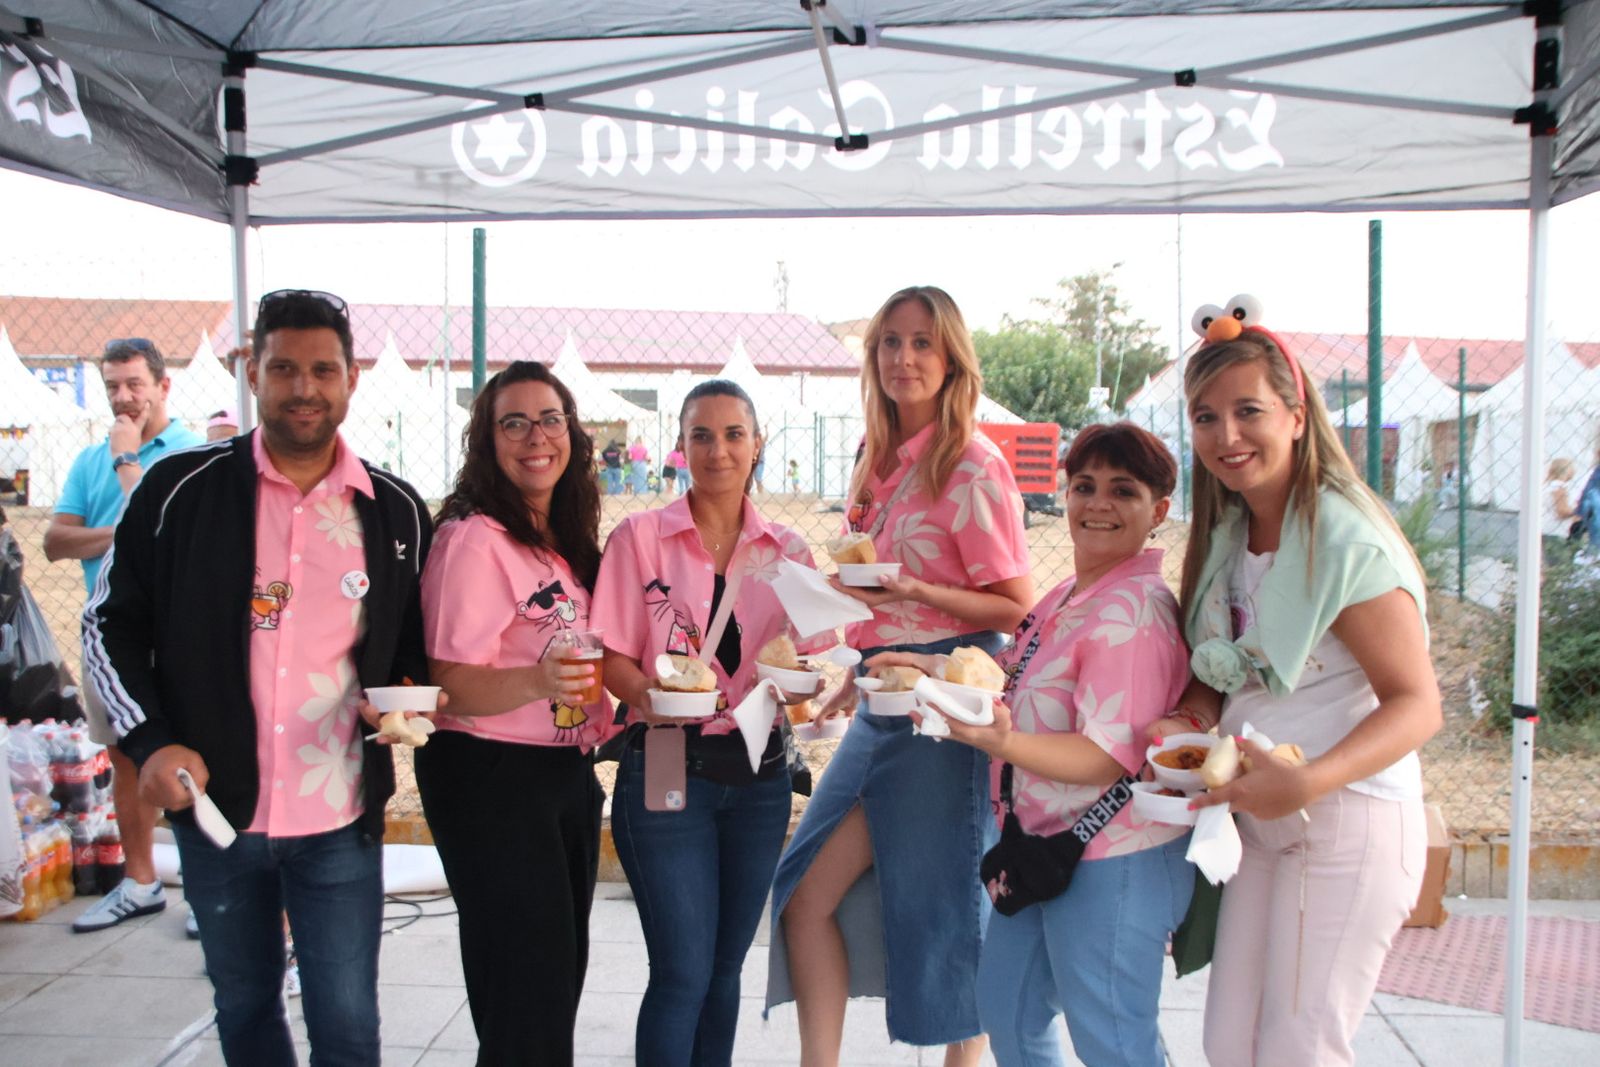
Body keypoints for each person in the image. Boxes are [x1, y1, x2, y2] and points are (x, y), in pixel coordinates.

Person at [83, 289, 437, 1067]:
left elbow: (414, 645)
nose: (303, 387)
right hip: (215, 817)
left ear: (352, 379)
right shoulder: (177, 491)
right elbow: (107, 625)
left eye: (322, 369)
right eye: (284, 367)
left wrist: (403, 699)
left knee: (347, 1023)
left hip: (340, 821)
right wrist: (152, 742)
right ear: (251, 371)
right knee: (244, 1009)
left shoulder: (397, 510)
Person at [1150, 323, 1440, 1067]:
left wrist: (1305, 779)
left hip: (1347, 816)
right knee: (1229, 1044)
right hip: (1260, 820)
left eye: (1248, 410)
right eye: (1206, 416)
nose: (1227, 434)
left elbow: (1417, 702)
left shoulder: (1345, 539)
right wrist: (1189, 720)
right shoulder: (1232, 532)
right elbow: (1225, 675)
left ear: (1297, 414)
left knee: (1297, 1050)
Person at [767, 285, 1034, 1066]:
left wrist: (915, 592)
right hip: (879, 705)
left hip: (945, 714)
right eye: (890, 341)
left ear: (951, 358)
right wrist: (854, 645)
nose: (903, 357)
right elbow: (878, 594)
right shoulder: (872, 459)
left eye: (922, 342)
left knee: (947, 907)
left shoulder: (974, 464)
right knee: (803, 893)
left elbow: (1015, 606)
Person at [874, 422, 1192, 1067]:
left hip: (1111, 855)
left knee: (1114, 1041)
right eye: (1084, 486)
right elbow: (1007, 679)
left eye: (1122, 491)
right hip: (1041, 844)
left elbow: (1108, 756)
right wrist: (928, 668)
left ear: (1158, 511)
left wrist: (1004, 742)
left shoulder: (1136, 612)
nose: (1098, 504)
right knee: (1010, 1015)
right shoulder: (1069, 594)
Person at [590, 379, 832, 1067]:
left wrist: (807, 681)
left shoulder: (788, 550)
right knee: (683, 973)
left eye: (733, 434)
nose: (718, 449)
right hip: (666, 756)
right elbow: (610, 656)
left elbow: (813, 663)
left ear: (758, 444)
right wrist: (657, 697)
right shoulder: (641, 538)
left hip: (757, 772)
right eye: (701, 434)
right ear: (681, 445)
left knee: (725, 971)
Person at [414, 360, 614, 1064]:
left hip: (560, 774)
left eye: (550, 418)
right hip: (492, 777)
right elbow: (448, 682)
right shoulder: (474, 539)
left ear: (572, 433)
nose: (537, 435)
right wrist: (539, 679)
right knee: (527, 993)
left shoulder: (555, 536)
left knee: (548, 989)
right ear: (486, 439)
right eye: (514, 421)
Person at [43, 337, 204, 934]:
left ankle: (205, 893)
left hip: (182, 633)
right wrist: (126, 535)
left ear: (164, 386)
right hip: (112, 635)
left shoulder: (196, 455)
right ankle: (140, 882)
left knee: (191, 752)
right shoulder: (92, 460)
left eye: (134, 384)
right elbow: (57, 541)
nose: (123, 397)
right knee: (124, 754)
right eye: (112, 386)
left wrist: (128, 466)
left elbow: (173, 543)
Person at [1542, 457, 1578, 561]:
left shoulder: (1547, 486)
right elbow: (1561, 511)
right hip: (1556, 532)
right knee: (1558, 563)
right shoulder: (1559, 487)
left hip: (1544, 529)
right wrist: (1580, 510)